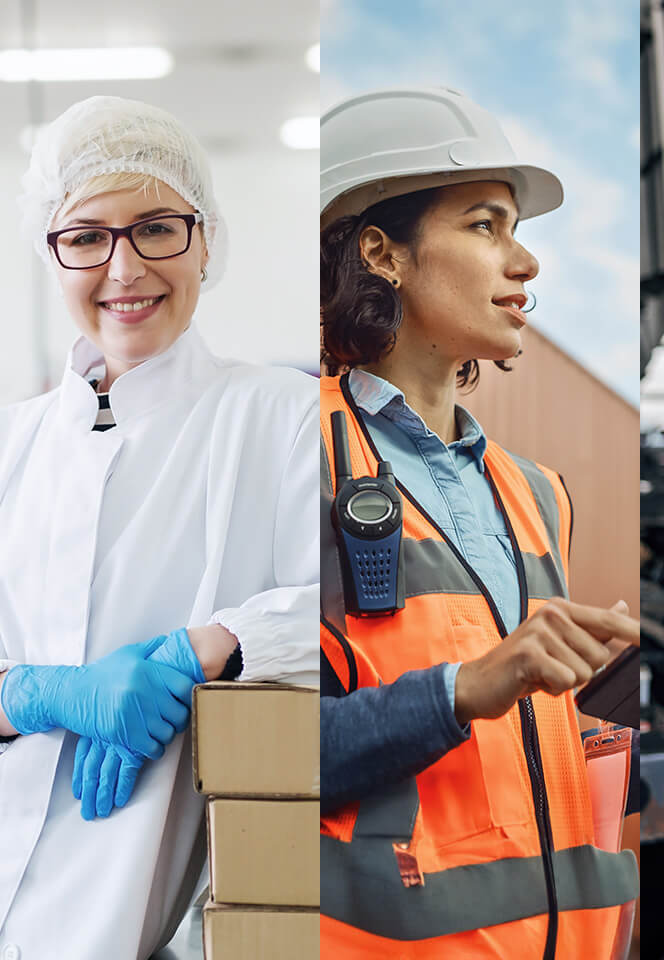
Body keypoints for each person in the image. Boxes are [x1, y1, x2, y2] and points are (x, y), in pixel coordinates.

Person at [317, 88, 639, 959]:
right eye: (486, 226)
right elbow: (266, 753)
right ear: (382, 253)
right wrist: (462, 689)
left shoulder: (539, 491)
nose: (524, 261)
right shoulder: (294, 460)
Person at [0, 96, 317, 959]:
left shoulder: (280, 416)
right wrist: (26, 692)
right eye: (87, 236)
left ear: (205, 239)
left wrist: (204, 646)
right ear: (52, 253)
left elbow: (361, 617)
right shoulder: (11, 446)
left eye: (155, 228)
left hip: (140, 923)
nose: (124, 266)